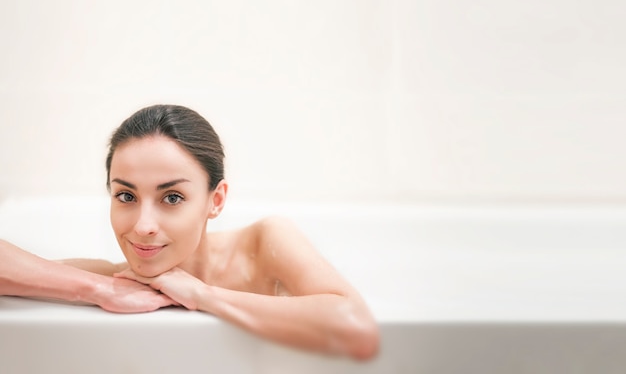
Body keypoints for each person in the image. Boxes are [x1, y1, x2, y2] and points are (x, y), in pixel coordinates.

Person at [0, 104, 379, 360]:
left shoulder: (265, 244)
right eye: (126, 195)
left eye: (173, 197)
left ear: (216, 200)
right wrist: (97, 288)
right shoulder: (122, 278)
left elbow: (357, 329)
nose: (143, 226)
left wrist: (202, 294)